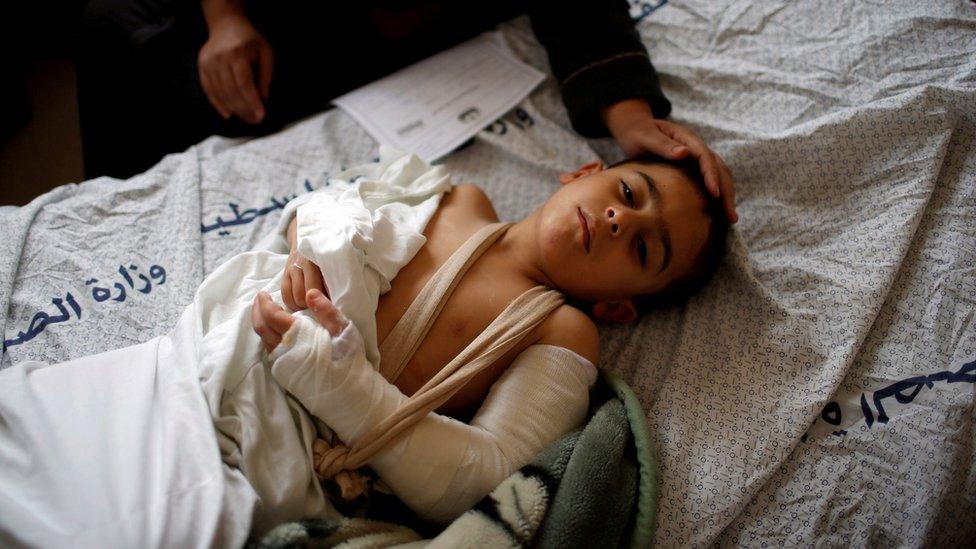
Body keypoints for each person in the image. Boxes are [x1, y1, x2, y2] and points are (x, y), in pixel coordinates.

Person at [0, 148, 727, 547]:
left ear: (617, 304)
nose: (616, 218)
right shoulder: (452, 193)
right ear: (584, 171)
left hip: (250, 456)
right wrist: (310, 249)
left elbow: (475, 478)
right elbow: (325, 209)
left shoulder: (558, 328)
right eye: (628, 192)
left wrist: (332, 376)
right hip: (191, 360)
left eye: (644, 246)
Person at [75, 0, 737, 224]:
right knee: (114, 30)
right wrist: (226, 18)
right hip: (283, 26)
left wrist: (628, 117)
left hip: (414, 39)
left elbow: (583, 14)